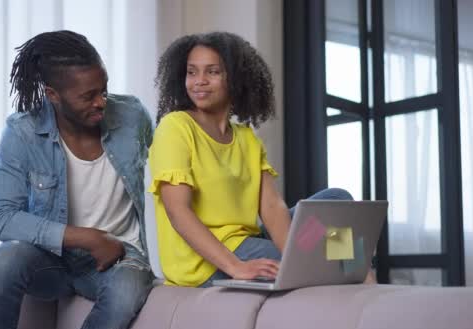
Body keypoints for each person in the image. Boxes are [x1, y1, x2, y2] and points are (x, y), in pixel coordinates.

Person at [0, 30, 154, 329]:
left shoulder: (132, 116)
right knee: (3, 263)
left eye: (104, 90)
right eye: (88, 96)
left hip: (119, 257)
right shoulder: (23, 133)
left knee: (129, 289)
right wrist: (86, 238)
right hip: (51, 260)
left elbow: (167, 183)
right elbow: (0, 217)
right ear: (53, 94)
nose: (101, 102)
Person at [148, 31, 353, 288]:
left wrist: (295, 254)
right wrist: (236, 266)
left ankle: (358, 268)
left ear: (235, 79)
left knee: (336, 200)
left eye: (212, 72)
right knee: (324, 258)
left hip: (248, 241)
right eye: (192, 72)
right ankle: (352, 268)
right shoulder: (175, 127)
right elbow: (177, 211)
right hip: (207, 260)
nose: (199, 81)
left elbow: (271, 208)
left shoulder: (246, 139)